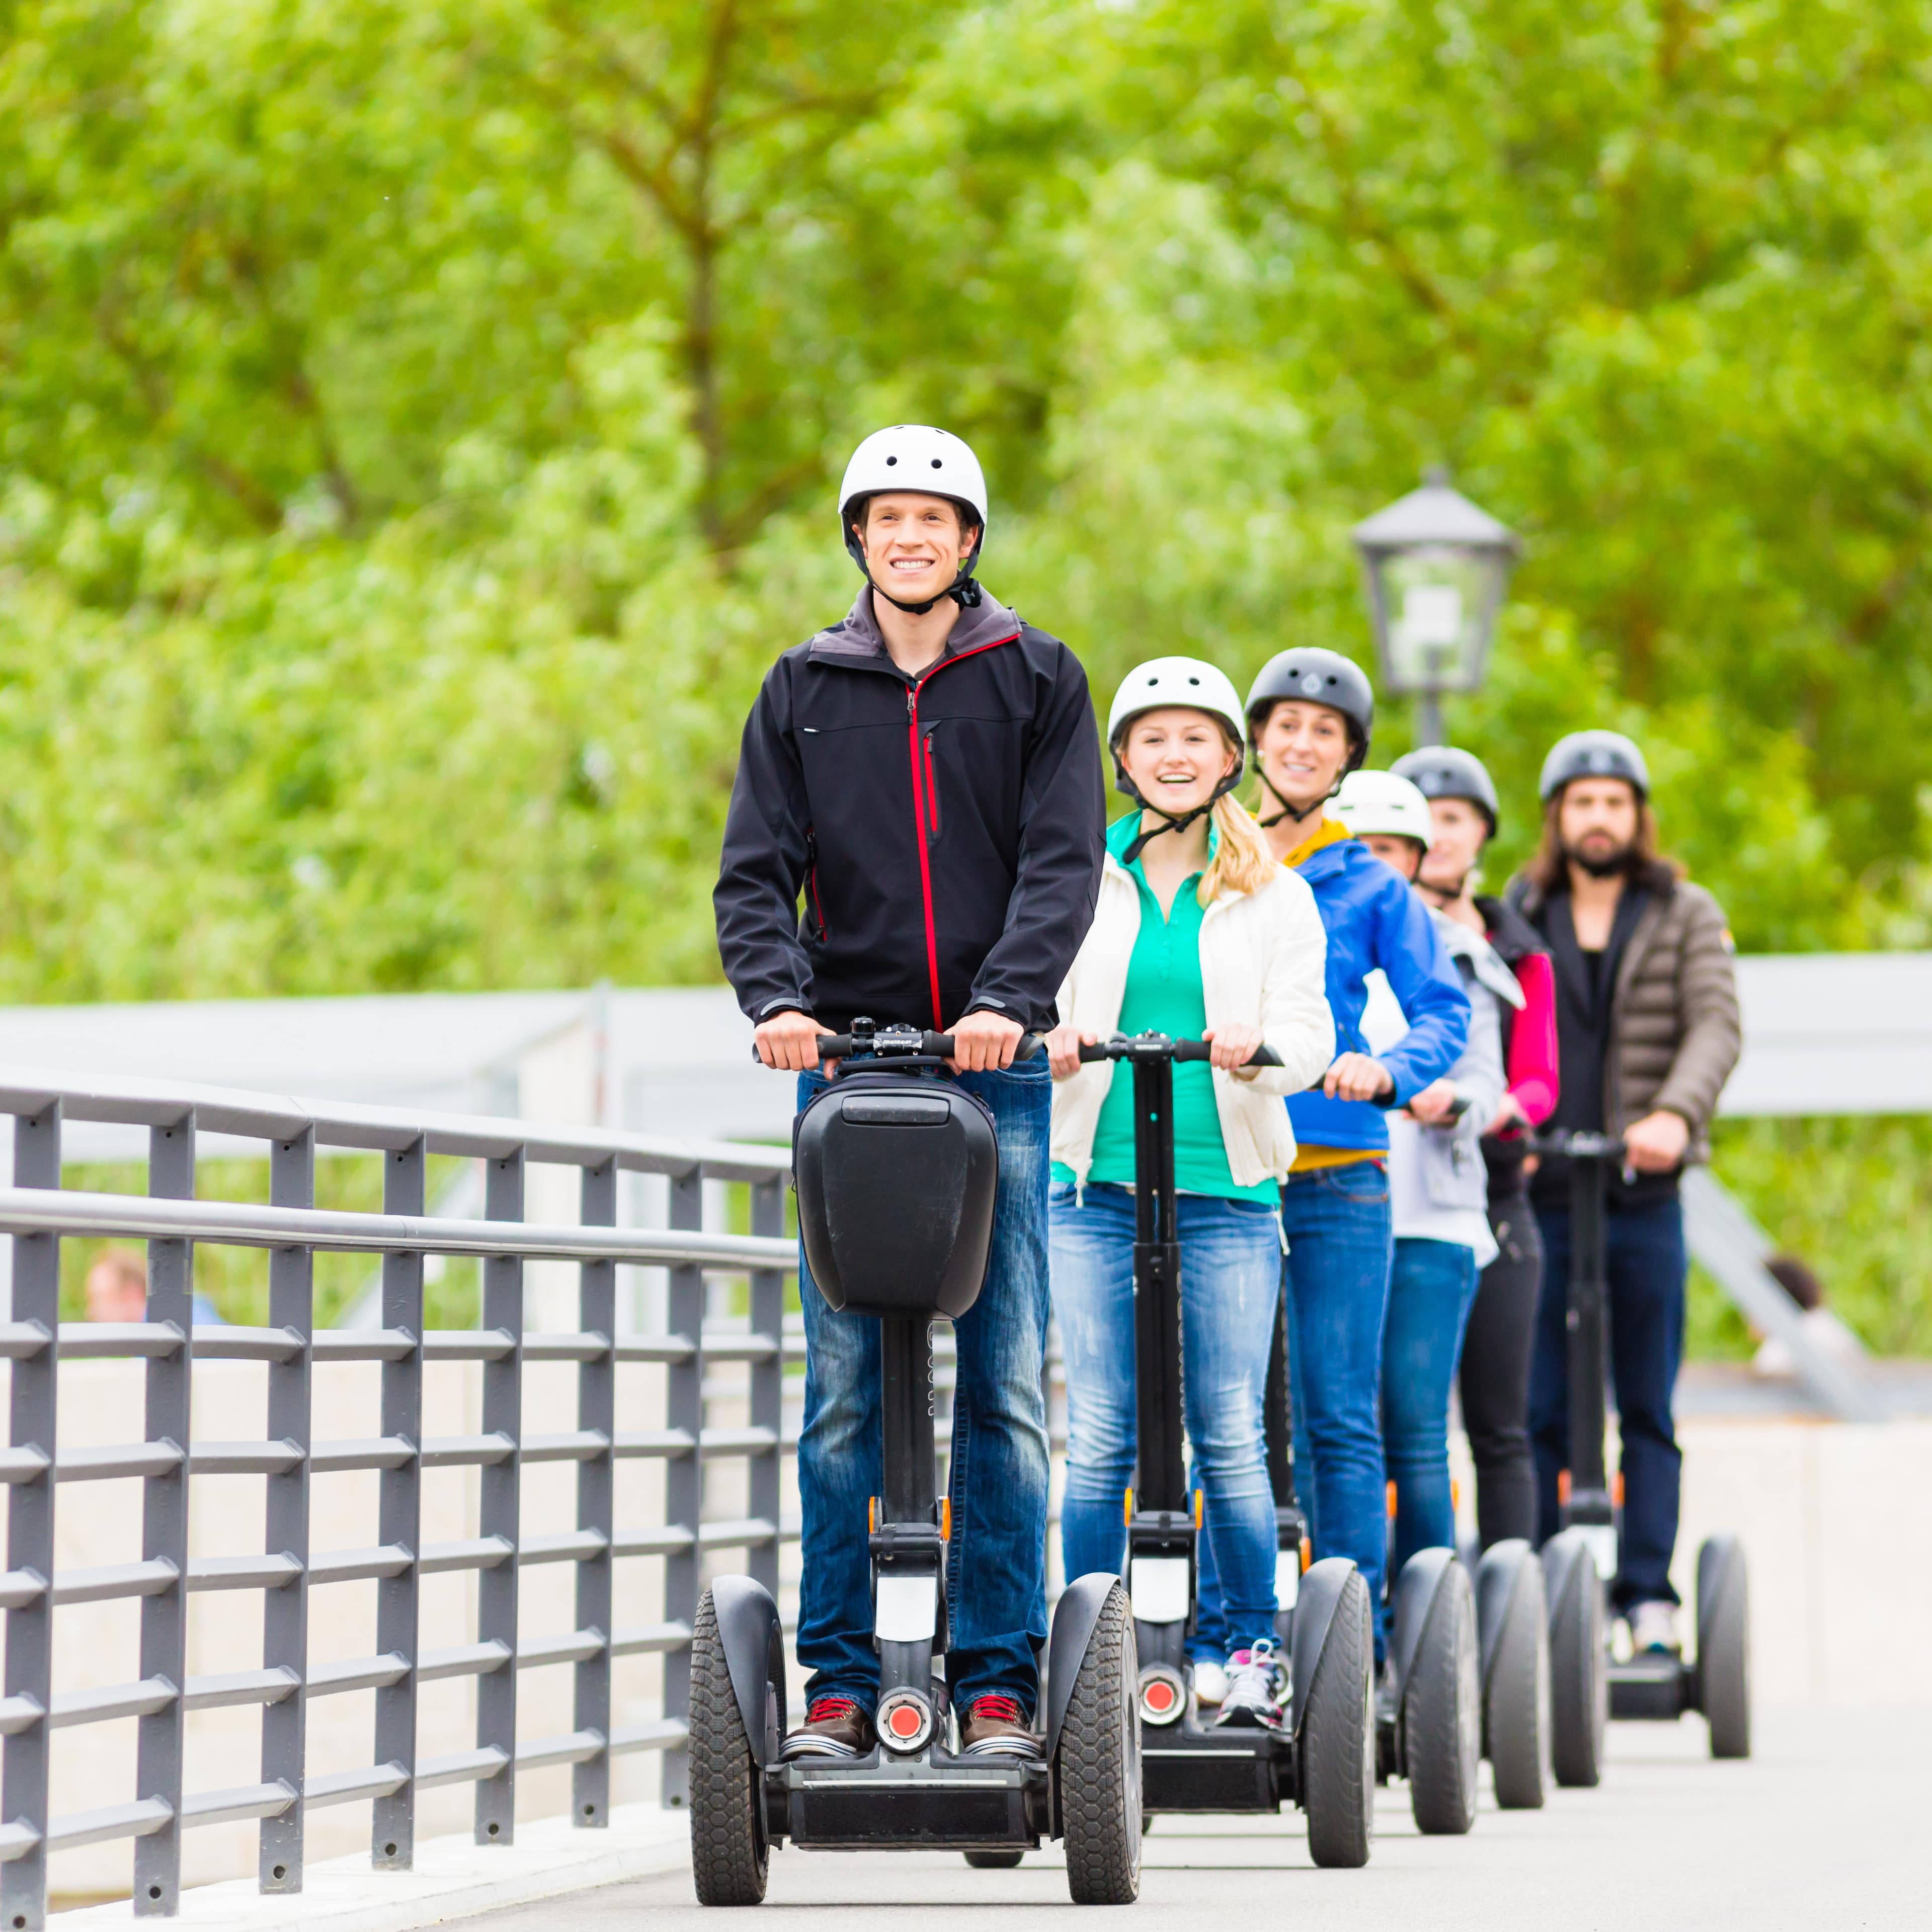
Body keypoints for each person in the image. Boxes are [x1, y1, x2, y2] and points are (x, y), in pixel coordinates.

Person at [714, 425, 1105, 1758]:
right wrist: (778, 1004)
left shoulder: (1039, 678)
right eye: (887, 521)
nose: (910, 539)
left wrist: (1009, 1003)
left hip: (993, 1077)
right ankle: (835, 1681)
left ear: (970, 541)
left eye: (933, 522)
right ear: (859, 540)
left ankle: (997, 1678)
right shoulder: (804, 686)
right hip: (848, 1076)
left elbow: (1064, 864)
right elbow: (755, 871)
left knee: (1000, 1381)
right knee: (841, 1390)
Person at [1045, 659, 1334, 1730]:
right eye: (1153, 739)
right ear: (1123, 760)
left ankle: (1244, 1645)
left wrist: (1262, 1049)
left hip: (1228, 1188)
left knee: (1227, 1432)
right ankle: (1089, 1655)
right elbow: (1026, 998)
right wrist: (1050, 1038)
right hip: (1093, 1181)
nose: (1174, 756)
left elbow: (1312, 1037)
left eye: (1195, 739)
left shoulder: (1272, 891)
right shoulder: (1077, 876)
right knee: (1103, 1430)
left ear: (1228, 760)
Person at [1208, 648, 1468, 1682]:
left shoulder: (1370, 882)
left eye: (1325, 733)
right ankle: (1225, 1639)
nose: (1303, 744)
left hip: (1336, 1172)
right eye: (1285, 728)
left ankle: (1347, 1652)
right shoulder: (1212, 860)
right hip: (1223, 1168)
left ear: (1347, 755)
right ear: (1255, 743)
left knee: (1334, 1416)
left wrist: (1388, 1068)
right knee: (1223, 1415)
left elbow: (1444, 1009)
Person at [1506, 731, 1741, 1655]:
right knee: (1542, 1407)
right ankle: (1551, 1592)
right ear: (1557, 817)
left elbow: (1716, 1024)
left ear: (1636, 816)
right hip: (1545, 1191)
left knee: (1646, 1404)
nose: (1597, 819)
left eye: (1614, 802)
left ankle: (1647, 1594)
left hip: (1642, 1196)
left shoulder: (1684, 911)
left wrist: (1675, 1115)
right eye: (1580, 802)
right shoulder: (1521, 911)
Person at [1332, 769, 1510, 1575]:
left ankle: (1426, 1620)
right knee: (1336, 1422)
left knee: (1412, 1424)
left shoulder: (1456, 951)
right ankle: (1343, 1617)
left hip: (1427, 1216)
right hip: (1328, 1203)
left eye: (1394, 849)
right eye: (1361, 847)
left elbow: (1489, 1080)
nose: (1377, 863)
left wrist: (1444, 1097)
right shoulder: (1303, 943)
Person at [1393, 744, 1560, 1551]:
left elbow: (1538, 1079)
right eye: (1423, 817)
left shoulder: (1516, 950)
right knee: (1398, 1416)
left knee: (1498, 1419)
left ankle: (1506, 1606)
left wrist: (1484, 1110)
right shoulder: (1375, 932)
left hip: (1491, 1189)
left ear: (1481, 836)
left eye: (1454, 819)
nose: (1440, 834)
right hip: (1396, 1193)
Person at [85, 1248, 225, 1328]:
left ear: (130, 1293)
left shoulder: (179, 1320)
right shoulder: (182, 1313)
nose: (91, 1311)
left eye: (100, 1298)